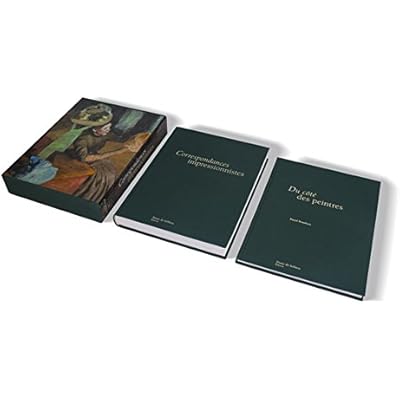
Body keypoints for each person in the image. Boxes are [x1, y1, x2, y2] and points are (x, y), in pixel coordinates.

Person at [68, 122, 140, 202]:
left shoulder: (106, 134)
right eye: (105, 128)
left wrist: (133, 144)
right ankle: (90, 197)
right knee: (103, 175)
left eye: (109, 127)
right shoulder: (84, 139)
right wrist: (117, 152)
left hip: (94, 156)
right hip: (77, 159)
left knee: (109, 168)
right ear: (95, 129)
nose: (108, 130)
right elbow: (85, 158)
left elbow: (121, 139)